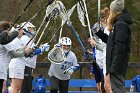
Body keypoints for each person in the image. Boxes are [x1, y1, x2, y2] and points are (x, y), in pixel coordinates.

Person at [95, 0, 132, 92]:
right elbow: (112, 43)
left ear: (115, 11)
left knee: (117, 90)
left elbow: (120, 49)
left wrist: (113, 68)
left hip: (116, 67)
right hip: (114, 65)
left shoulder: (121, 25)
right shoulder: (118, 24)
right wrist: (99, 33)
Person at [19, 22, 37, 93]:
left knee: (27, 88)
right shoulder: (25, 39)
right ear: (25, 29)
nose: (32, 30)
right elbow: (31, 52)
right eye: (30, 28)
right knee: (25, 89)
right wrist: (41, 49)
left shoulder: (29, 39)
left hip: (28, 66)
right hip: (25, 65)